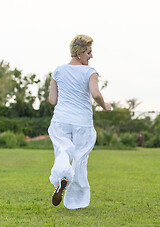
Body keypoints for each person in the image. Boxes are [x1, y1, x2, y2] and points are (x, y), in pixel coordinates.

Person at [48, 34, 111, 209]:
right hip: (82, 122)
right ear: (78, 52)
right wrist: (105, 105)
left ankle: (62, 176)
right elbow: (96, 94)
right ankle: (76, 202)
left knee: (63, 151)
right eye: (89, 52)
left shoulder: (58, 71)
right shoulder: (90, 72)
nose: (91, 56)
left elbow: (52, 100)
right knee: (80, 159)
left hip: (61, 119)